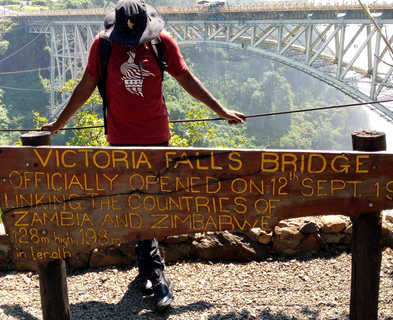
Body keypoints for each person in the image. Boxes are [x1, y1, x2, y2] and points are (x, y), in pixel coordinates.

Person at [42, 0, 246, 312]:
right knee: (136, 201)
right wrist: (60, 122)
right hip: (121, 140)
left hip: (156, 139)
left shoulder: (163, 44)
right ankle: (155, 274)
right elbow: (86, 85)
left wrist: (221, 111)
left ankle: (149, 271)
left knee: (146, 200)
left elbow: (186, 78)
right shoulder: (103, 46)